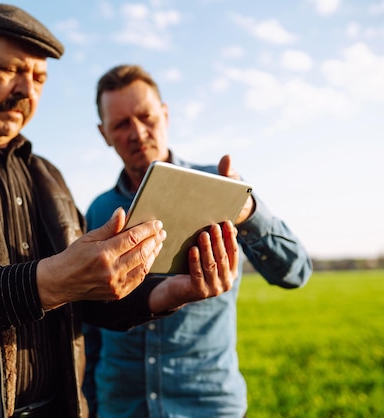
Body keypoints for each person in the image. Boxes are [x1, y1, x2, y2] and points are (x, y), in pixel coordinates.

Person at [0, 5, 243, 418]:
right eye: (9, 69)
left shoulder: (47, 175)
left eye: (38, 78)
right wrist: (48, 280)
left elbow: (82, 296)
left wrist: (171, 292)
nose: (26, 90)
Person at [82, 64, 313, 418]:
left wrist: (246, 209)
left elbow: (296, 271)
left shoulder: (219, 186)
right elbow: (90, 325)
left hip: (206, 404)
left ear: (166, 114)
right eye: (121, 124)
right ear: (103, 133)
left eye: (146, 117)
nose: (138, 132)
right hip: (120, 406)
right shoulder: (98, 212)